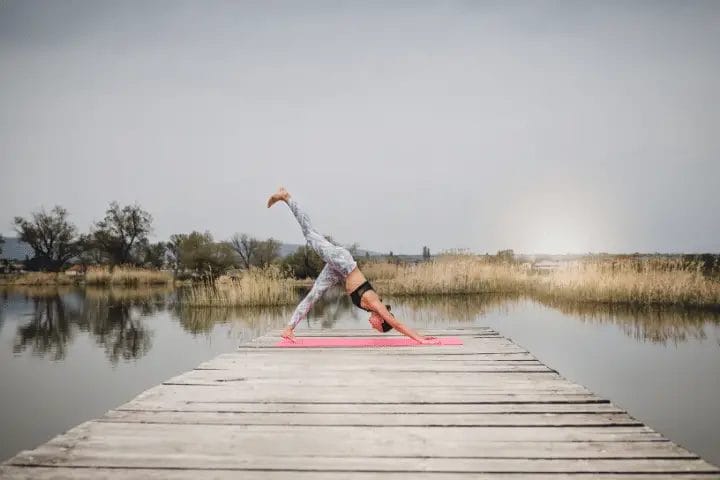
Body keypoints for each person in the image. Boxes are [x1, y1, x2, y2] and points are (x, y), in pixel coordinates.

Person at [267, 187, 439, 344]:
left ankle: (288, 329)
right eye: (377, 327)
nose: (372, 326)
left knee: (314, 295)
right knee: (310, 234)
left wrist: (421, 337)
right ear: (382, 319)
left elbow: (392, 322)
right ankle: (287, 197)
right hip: (343, 262)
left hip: (339, 272)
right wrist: (419, 339)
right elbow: (396, 323)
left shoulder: (372, 307)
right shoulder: (374, 303)